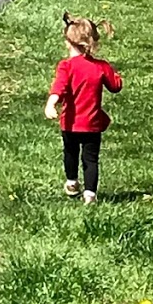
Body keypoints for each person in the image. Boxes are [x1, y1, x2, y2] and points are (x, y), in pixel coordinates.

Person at [44, 12, 123, 204]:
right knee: (91, 159)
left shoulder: (66, 66)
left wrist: (51, 103)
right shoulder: (101, 66)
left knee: (70, 153)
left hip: (70, 122)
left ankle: (72, 182)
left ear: (68, 42)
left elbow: (59, 87)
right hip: (92, 124)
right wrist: (116, 75)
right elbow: (115, 86)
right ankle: (90, 195)